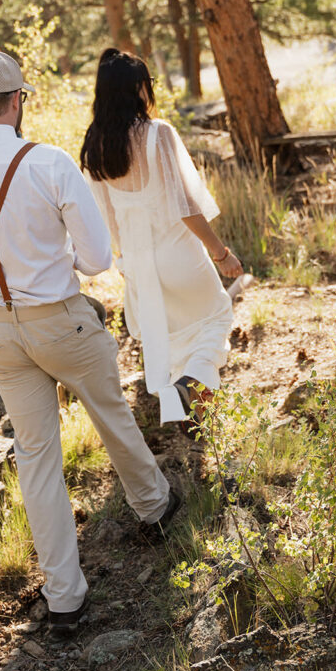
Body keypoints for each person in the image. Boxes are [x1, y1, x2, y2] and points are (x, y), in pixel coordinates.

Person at [0, 50, 179, 638]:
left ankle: (65, 598)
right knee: (112, 415)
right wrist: (43, 264)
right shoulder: (48, 162)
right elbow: (95, 258)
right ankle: (154, 507)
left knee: (36, 457)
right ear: (17, 102)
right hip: (59, 317)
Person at [81, 48, 243, 432]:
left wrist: (126, 263)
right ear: (137, 88)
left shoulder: (94, 146)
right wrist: (219, 252)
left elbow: (107, 216)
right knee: (215, 319)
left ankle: (188, 411)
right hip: (178, 255)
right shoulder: (158, 135)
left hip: (137, 261)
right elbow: (185, 204)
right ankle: (192, 391)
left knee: (167, 340)